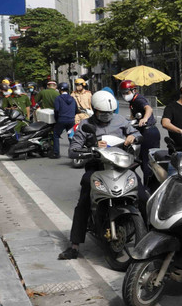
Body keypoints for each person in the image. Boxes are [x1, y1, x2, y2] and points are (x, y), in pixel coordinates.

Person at [58, 90, 142, 260]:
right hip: (97, 168)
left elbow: (137, 133)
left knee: (143, 193)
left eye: (109, 113)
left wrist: (132, 136)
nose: (106, 116)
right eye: (103, 113)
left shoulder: (120, 120)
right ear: (95, 110)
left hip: (121, 167)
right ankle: (74, 245)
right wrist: (93, 146)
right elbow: (73, 150)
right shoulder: (85, 125)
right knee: (83, 201)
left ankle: (148, 236)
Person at [121, 80, 160, 184]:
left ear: (134, 90)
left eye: (127, 92)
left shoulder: (138, 99)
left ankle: (150, 187)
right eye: (123, 93)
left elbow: (149, 109)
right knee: (142, 162)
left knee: (148, 163)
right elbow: (134, 116)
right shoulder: (132, 101)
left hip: (149, 132)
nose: (125, 95)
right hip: (142, 132)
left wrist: (145, 119)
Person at [51, 82, 77, 159]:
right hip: (71, 120)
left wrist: (56, 119)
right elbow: (76, 110)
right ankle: (74, 152)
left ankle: (56, 153)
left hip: (62, 119)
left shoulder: (58, 98)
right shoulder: (72, 98)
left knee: (56, 135)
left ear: (60, 90)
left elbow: (56, 110)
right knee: (71, 136)